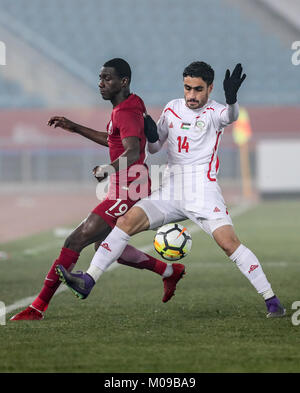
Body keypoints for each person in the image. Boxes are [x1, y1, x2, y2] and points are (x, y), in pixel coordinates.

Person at [57, 61, 286, 318]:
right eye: (188, 88)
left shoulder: (216, 112)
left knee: (229, 244)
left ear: (210, 88)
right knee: (125, 221)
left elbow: (230, 117)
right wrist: (152, 134)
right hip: (171, 189)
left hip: (202, 190)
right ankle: (88, 280)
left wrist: (232, 100)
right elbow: (154, 148)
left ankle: (272, 300)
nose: (192, 95)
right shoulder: (173, 108)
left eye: (198, 89)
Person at [11, 58, 182, 321]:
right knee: (108, 245)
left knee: (75, 240)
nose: (101, 83)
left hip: (129, 187)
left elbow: (134, 150)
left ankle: (37, 307)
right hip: (127, 183)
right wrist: (75, 127)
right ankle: (170, 272)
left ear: (123, 81)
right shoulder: (129, 104)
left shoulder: (126, 111)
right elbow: (115, 139)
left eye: (107, 78)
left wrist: (108, 169)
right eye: (100, 78)